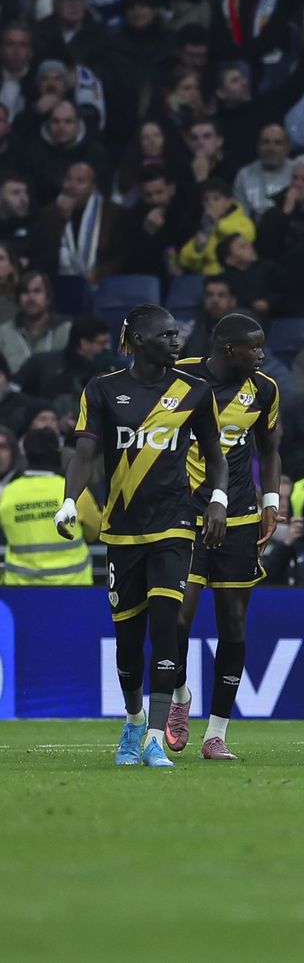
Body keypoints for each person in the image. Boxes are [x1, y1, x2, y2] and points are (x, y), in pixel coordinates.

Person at [56, 304, 228, 768]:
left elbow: (216, 456)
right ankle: (133, 722)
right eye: (168, 335)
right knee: (128, 643)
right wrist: (70, 499)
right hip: (122, 530)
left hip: (174, 525)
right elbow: (85, 453)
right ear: (139, 340)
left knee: (168, 624)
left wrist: (217, 500)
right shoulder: (104, 390)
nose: (177, 342)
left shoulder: (195, 391)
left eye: (177, 335)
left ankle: (154, 736)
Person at [166, 314, 282, 761]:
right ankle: (179, 696)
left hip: (238, 517)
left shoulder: (265, 390)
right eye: (254, 348)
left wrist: (271, 502)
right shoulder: (181, 379)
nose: (262, 354)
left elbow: (271, 449)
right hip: (184, 515)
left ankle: (216, 734)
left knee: (232, 624)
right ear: (228, 349)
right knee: (177, 620)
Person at [0, 427, 89, 585]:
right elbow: (95, 531)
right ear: (58, 453)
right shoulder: (74, 491)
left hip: (20, 590)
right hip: (75, 588)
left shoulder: (7, 493)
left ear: (25, 454)